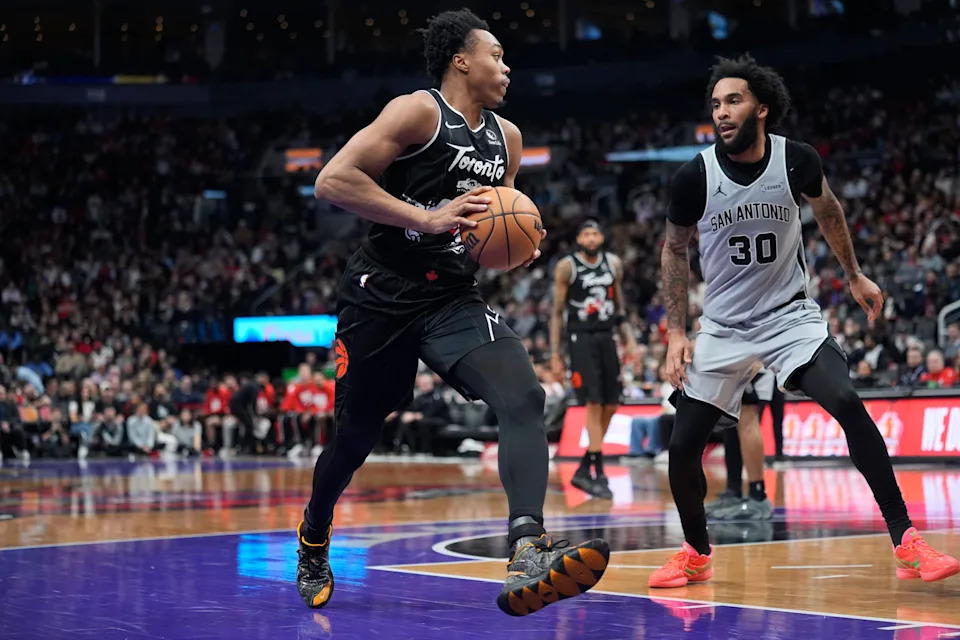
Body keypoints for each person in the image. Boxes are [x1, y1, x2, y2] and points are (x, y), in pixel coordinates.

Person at [297, 8, 609, 616]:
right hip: (380, 291)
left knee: (524, 397)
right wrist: (424, 217)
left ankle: (527, 547)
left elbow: (491, 226)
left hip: (451, 296)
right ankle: (313, 532)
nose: (507, 65)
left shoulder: (507, 138)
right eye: (497, 54)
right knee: (356, 436)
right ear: (461, 60)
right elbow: (333, 181)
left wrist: (512, 243)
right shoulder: (418, 111)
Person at [650, 54, 958, 589]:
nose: (722, 112)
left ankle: (907, 541)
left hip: (790, 317)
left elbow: (829, 209)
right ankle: (696, 553)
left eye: (734, 100)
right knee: (683, 445)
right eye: (716, 103)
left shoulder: (798, 160)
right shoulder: (693, 175)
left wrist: (854, 275)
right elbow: (674, 250)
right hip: (723, 327)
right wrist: (677, 331)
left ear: (763, 108)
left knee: (845, 401)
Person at [550, 220, 637, 499]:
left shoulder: (613, 264)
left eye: (595, 233)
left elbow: (619, 304)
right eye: (586, 233)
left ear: (602, 237)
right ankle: (598, 471)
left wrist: (628, 338)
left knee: (612, 402)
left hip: (606, 337)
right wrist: (555, 353)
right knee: (594, 402)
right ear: (578, 238)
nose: (591, 238)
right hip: (581, 338)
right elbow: (556, 312)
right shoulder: (567, 266)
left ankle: (584, 468)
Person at [704, 366, 774, 521]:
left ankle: (758, 496)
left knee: (748, 421)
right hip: (737, 364)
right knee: (730, 426)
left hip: (754, 364)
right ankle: (733, 491)